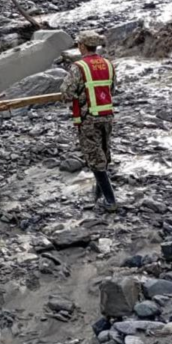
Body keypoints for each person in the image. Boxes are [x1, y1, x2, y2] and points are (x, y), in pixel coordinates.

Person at [60, 31, 118, 212]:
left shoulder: (80, 67)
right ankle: (99, 194)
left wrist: (80, 97)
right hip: (107, 115)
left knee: (94, 157)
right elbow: (112, 89)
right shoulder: (108, 64)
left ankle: (110, 200)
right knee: (104, 152)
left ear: (82, 46)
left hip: (89, 118)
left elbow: (66, 93)